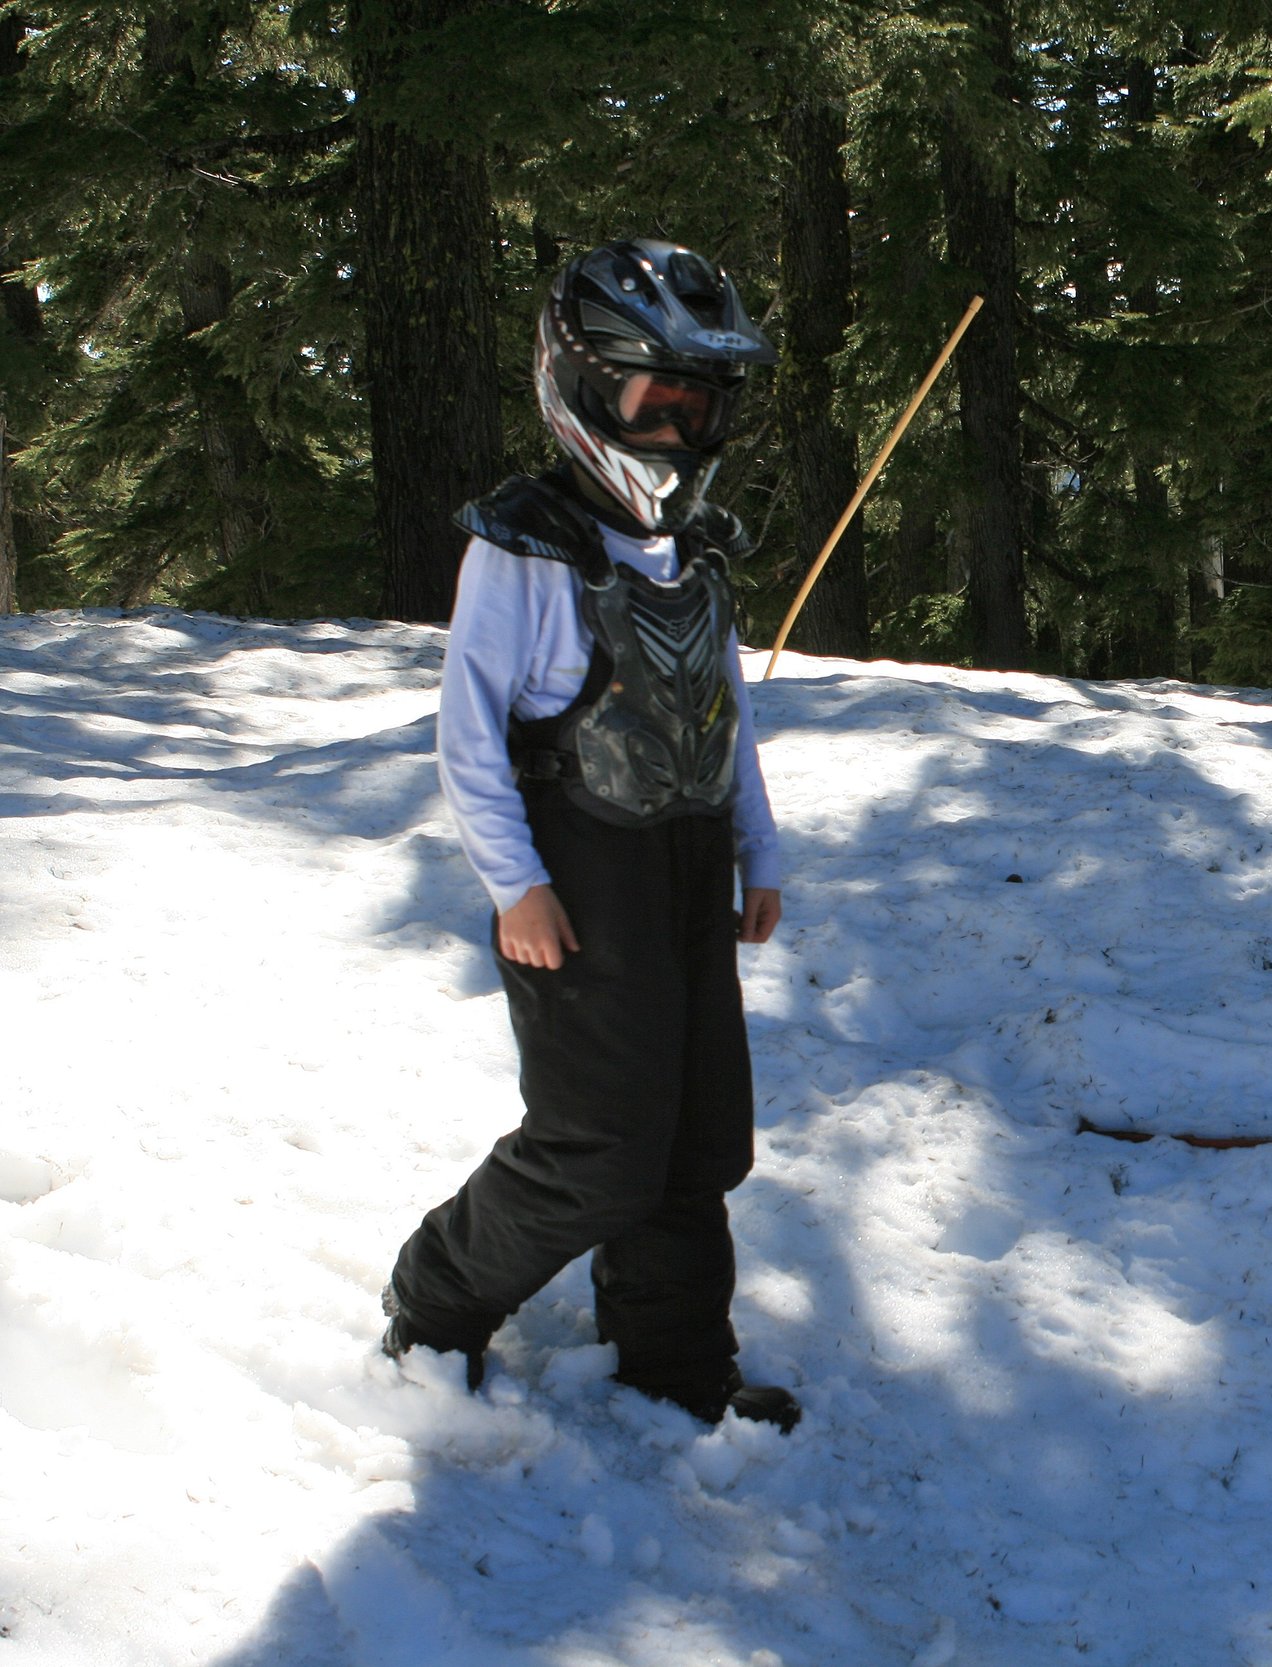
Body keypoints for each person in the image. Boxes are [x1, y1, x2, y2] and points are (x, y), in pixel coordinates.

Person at [381, 237, 798, 1432]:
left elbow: (723, 715)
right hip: (578, 872)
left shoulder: (694, 552)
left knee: (699, 1136)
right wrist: (514, 883)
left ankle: (676, 1361)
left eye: (698, 407)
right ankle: (436, 1297)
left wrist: (759, 850)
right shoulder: (524, 547)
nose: (675, 430)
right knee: (599, 1143)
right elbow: (468, 733)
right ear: (582, 385)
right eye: (655, 401)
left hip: (689, 861)